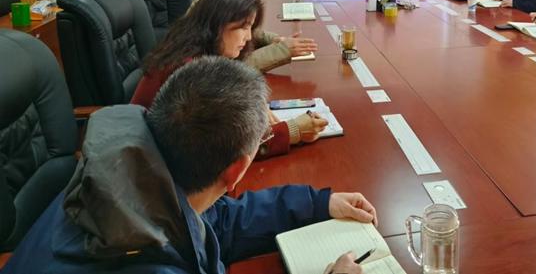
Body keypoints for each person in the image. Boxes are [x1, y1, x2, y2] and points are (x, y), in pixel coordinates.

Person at [2, 57, 375, 274]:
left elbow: (215, 221)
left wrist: (318, 204)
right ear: (237, 171)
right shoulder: (147, 261)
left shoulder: (128, 174)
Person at [133, 0, 327, 155]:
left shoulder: (191, 47)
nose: (249, 37)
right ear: (217, 24)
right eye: (243, 27)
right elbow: (225, 149)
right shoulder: (192, 72)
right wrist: (294, 130)